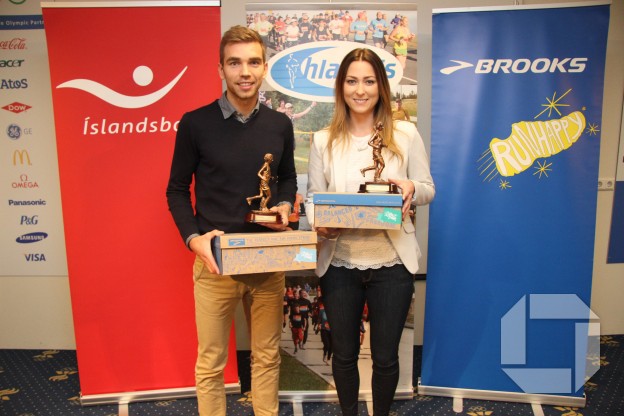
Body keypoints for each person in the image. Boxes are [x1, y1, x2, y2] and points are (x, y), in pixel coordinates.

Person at [166, 25, 297, 416]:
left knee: (267, 355)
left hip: (266, 259)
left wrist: (284, 205)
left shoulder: (280, 124)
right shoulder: (195, 123)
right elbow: (176, 190)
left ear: (264, 67)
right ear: (220, 69)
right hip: (216, 262)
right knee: (211, 362)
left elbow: (287, 177)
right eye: (234, 63)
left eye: (253, 62)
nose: (245, 72)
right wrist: (194, 239)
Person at [305, 48, 435, 416]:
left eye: (368, 81)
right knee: (344, 354)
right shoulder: (322, 140)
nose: (360, 90)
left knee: (385, 356)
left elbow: (428, 188)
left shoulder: (405, 134)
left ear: (381, 86)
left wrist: (410, 187)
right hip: (339, 263)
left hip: (392, 264)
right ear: (341, 86)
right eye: (351, 81)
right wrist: (319, 221)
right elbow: (314, 199)